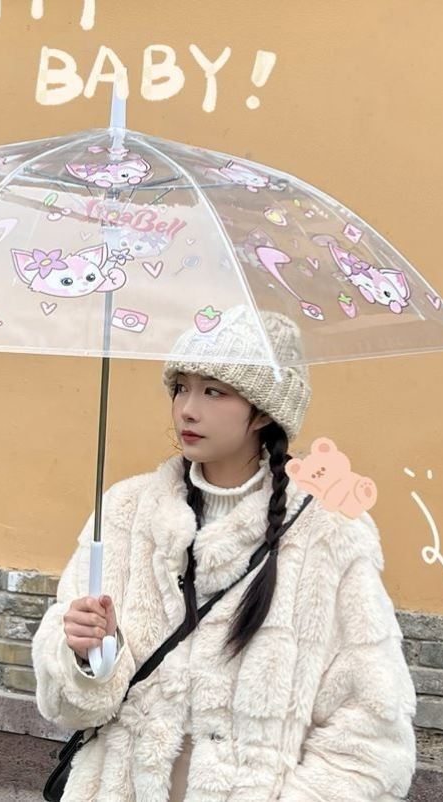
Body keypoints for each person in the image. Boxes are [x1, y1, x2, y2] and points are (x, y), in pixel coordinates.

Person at [32, 304, 417, 801]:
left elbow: (372, 732)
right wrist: (88, 656)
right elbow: (71, 709)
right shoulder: (125, 512)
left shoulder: (329, 533)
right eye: (181, 387)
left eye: (214, 391)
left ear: (264, 409)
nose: (187, 409)